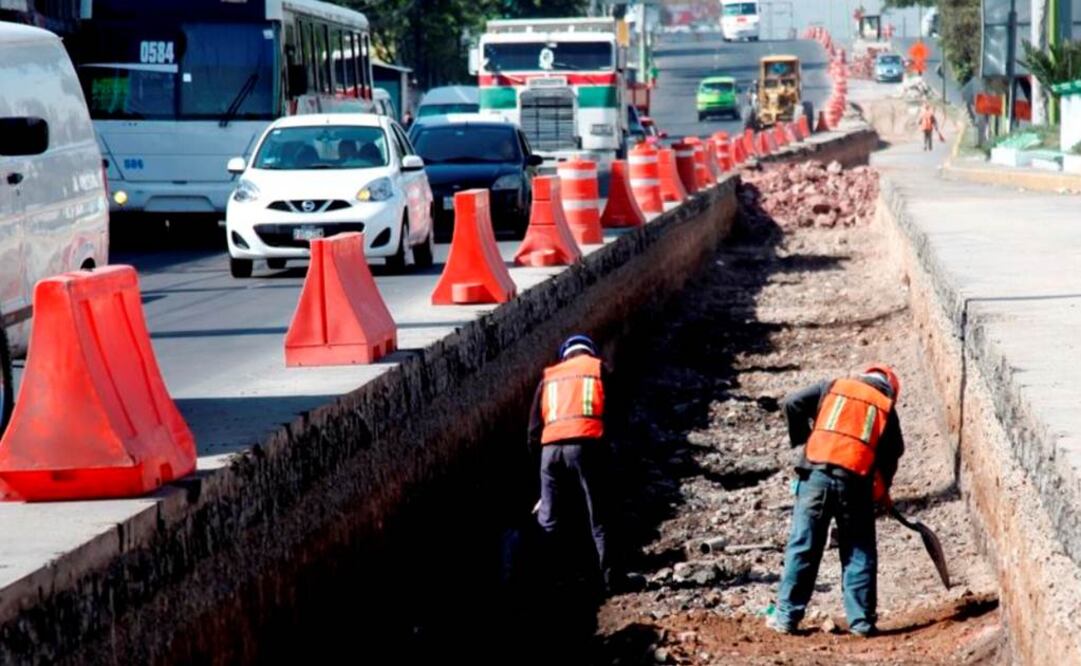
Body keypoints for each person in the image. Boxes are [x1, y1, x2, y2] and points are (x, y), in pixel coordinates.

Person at [767, 365, 905, 637]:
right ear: (890, 389)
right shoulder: (885, 406)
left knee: (803, 544)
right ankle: (862, 623)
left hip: (814, 475)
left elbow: (792, 403)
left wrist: (806, 440)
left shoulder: (832, 385)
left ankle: (785, 618)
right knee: (858, 548)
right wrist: (882, 490)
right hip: (855, 483)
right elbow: (893, 451)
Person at [527, 334, 614, 592]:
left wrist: (541, 466)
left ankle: (545, 581)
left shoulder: (550, 376)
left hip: (549, 449)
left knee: (548, 520)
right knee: (599, 515)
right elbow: (613, 414)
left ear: (565, 355)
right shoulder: (599, 369)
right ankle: (609, 581)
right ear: (590, 352)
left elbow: (533, 428)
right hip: (585, 445)